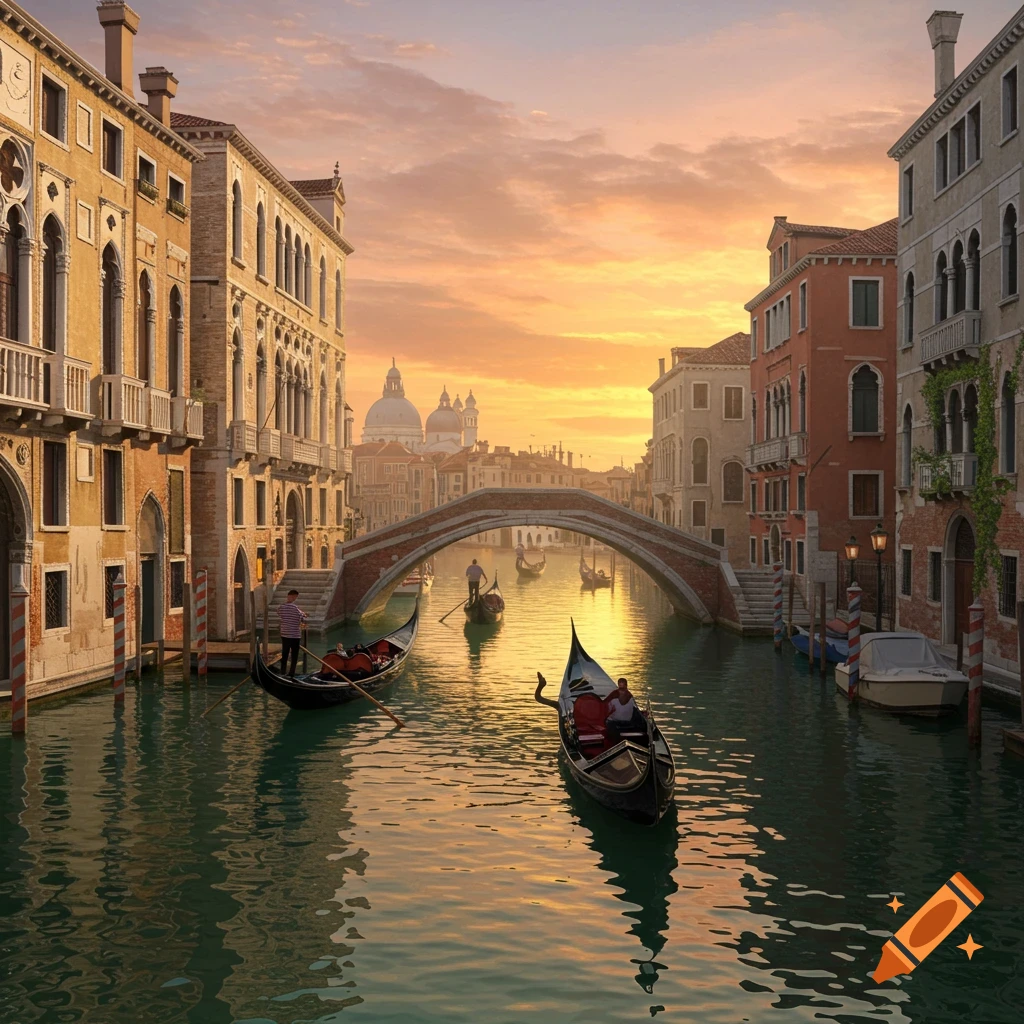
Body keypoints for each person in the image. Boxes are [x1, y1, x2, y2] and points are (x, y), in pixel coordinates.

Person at [277, 589, 307, 676]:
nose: (295, 598)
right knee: (294, 655)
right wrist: (303, 614)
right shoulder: (295, 608)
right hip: (295, 635)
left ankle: (283, 672)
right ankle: (291, 673)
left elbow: (279, 613)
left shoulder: (281, 607)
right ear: (293, 596)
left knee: (285, 653)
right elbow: (302, 617)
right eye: (295, 597)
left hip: (285, 634)